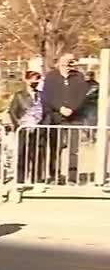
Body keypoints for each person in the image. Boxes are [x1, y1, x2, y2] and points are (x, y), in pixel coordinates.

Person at [41, 53, 89, 183]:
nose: (69, 65)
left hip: (75, 117)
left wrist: (72, 108)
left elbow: (82, 95)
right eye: (66, 62)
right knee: (55, 148)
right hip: (56, 117)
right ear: (60, 63)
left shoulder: (78, 77)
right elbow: (47, 96)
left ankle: (72, 177)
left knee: (74, 149)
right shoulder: (51, 77)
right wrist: (60, 108)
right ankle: (54, 175)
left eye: (71, 62)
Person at [8, 70, 43, 186]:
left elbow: (46, 112)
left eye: (37, 79)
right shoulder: (19, 95)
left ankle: (36, 180)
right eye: (33, 79)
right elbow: (13, 112)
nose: (35, 82)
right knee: (22, 155)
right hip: (23, 130)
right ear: (26, 80)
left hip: (37, 130)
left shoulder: (41, 95)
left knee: (37, 155)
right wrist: (19, 125)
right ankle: (20, 181)